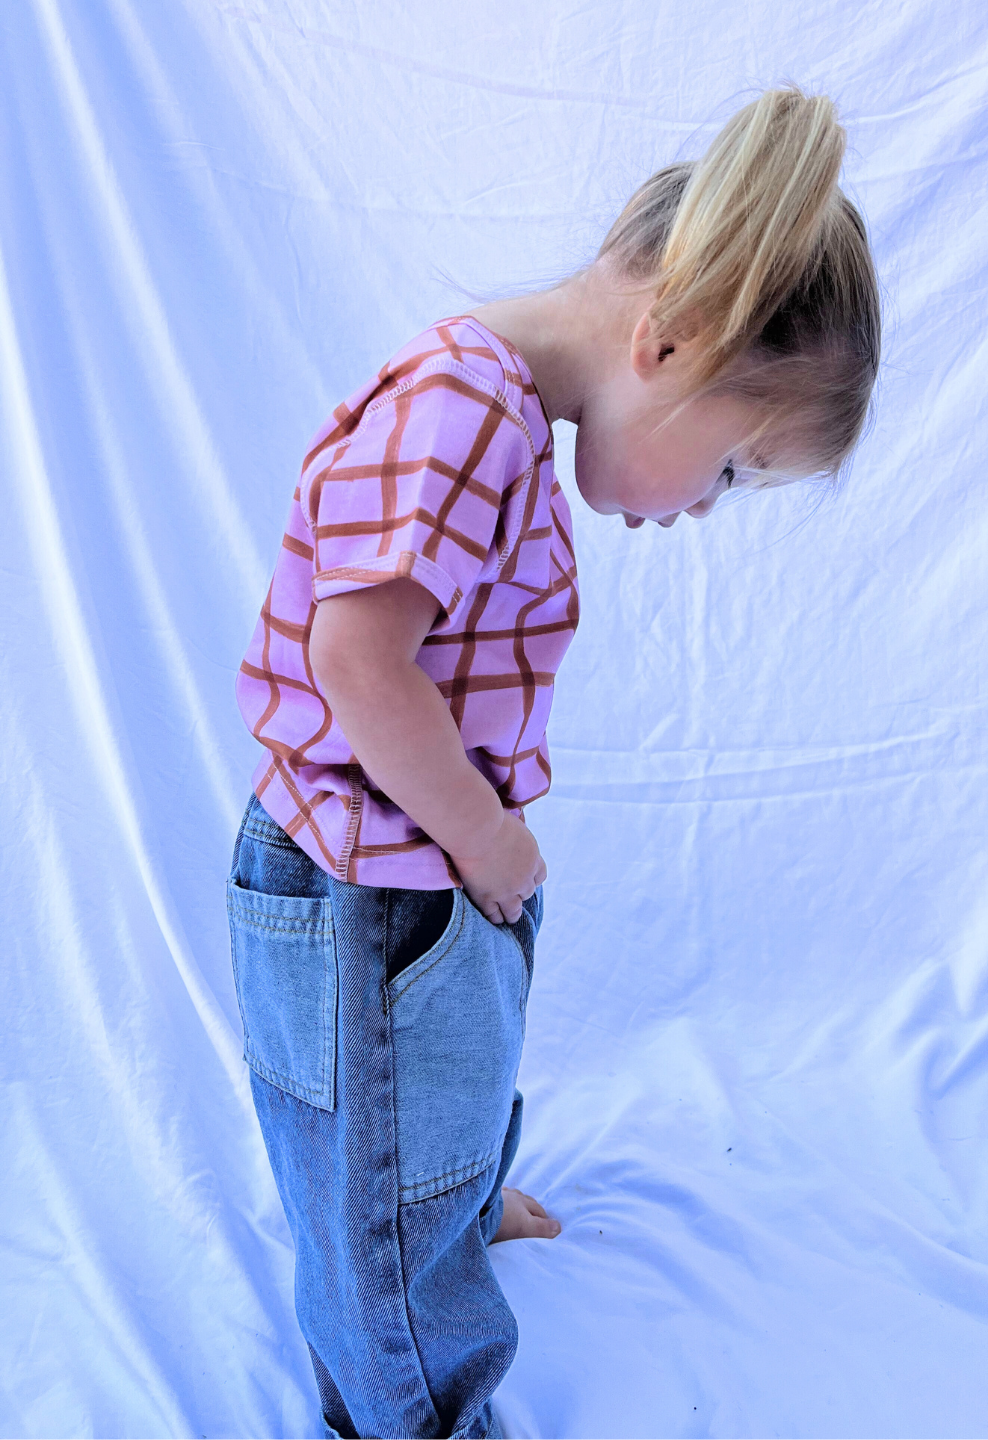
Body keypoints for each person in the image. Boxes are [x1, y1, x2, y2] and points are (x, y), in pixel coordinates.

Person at [226, 86, 881, 1440]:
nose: (702, 507)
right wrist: (484, 839)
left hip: (432, 868)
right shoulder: (463, 407)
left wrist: (482, 854)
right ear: (670, 339)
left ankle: (449, 1207)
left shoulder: (507, 415)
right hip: (366, 890)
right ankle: (414, 1392)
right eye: (736, 469)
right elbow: (359, 661)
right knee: (377, 1178)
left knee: (455, 1081)